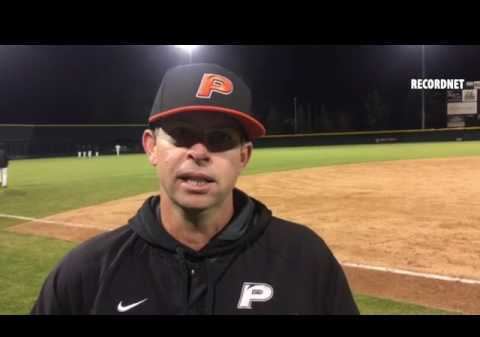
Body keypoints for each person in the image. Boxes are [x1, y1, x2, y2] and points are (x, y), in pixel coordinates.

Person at [31, 63, 359, 315]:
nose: (199, 152)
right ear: (151, 148)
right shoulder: (86, 273)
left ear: (243, 156)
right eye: (181, 134)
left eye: (221, 139)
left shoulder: (304, 260)